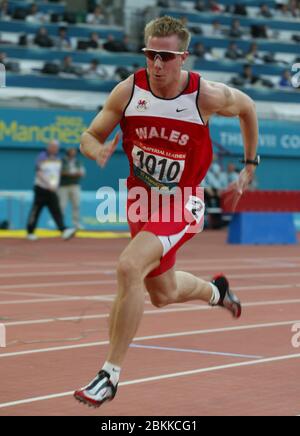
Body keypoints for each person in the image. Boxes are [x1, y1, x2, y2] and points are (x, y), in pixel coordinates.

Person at [74, 15, 259, 408]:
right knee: (163, 292)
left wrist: (249, 165)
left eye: (166, 57)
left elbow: (248, 107)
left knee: (128, 267)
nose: (156, 65)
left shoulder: (204, 96)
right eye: (150, 55)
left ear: (183, 58)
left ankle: (109, 374)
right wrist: (98, 149)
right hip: (141, 204)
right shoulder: (128, 91)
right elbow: (89, 135)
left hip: (184, 203)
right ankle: (216, 292)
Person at [26, 140, 76, 241]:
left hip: (52, 190)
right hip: (41, 189)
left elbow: (56, 175)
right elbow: (39, 172)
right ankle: (30, 232)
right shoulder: (42, 156)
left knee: (56, 210)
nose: (55, 148)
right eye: (53, 146)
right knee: (36, 210)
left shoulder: (58, 159)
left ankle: (63, 230)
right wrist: (48, 184)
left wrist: (54, 185)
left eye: (56, 146)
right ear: (48, 147)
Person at [59, 148, 85, 230]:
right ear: (67, 152)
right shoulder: (62, 161)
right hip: (63, 186)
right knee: (62, 205)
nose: (73, 153)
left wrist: (72, 173)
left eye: (74, 152)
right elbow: (60, 172)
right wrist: (72, 173)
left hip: (75, 186)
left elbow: (82, 173)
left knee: (76, 205)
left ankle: (76, 223)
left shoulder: (78, 162)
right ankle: (60, 224)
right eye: (71, 151)